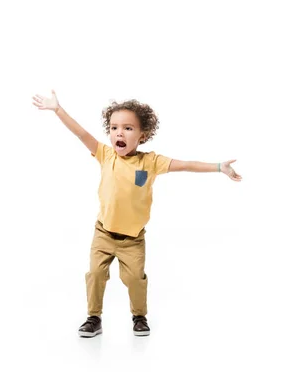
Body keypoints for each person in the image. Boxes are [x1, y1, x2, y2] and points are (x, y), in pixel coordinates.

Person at [32, 90, 242, 338]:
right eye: (114, 127)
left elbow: (186, 165)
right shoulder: (105, 154)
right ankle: (93, 317)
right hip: (103, 233)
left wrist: (219, 167)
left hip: (132, 239)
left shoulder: (150, 162)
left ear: (142, 136)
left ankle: (139, 316)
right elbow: (80, 133)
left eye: (128, 128)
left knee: (134, 279)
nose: (119, 133)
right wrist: (58, 110)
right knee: (96, 274)